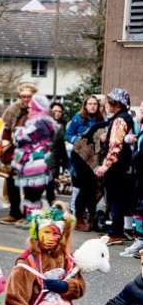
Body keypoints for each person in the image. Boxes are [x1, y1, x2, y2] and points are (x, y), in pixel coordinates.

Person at [11, 95, 59, 226]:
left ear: (37, 108)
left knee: (33, 193)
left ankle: (34, 220)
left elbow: (24, 136)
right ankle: (30, 217)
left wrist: (18, 132)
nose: (29, 111)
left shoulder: (40, 122)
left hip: (37, 163)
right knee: (30, 192)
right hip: (35, 161)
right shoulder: (42, 121)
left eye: (31, 108)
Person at [96, 88, 134, 245]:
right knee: (117, 199)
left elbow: (115, 146)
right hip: (121, 166)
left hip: (116, 168)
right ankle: (115, 232)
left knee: (115, 199)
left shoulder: (119, 120)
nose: (106, 104)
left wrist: (105, 166)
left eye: (109, 101)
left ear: (117, 104)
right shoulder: (122, 118)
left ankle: (115, 234)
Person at [65, 95, 105, 232]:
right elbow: (68, 135)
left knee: (93, 188)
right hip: (80, 158)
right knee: (83, 188)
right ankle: (79, 219)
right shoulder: (78, 118)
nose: (93, 106)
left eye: (95, 104)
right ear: (85, 105)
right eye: (90, 104)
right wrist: (81, 140)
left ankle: (92, 218)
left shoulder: (101, 119)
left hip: (94, 158)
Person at [0, 84, 35, 225]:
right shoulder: (12, 110)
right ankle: (14, 212)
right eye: (23, 96)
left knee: (29, 186)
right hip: (14, 151)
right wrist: (6, 150)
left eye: (29, 97)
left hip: (30, 152)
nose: (26, 99)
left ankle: (28, 213)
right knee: (11, 183)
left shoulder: (38, 110)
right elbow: (6, 130)